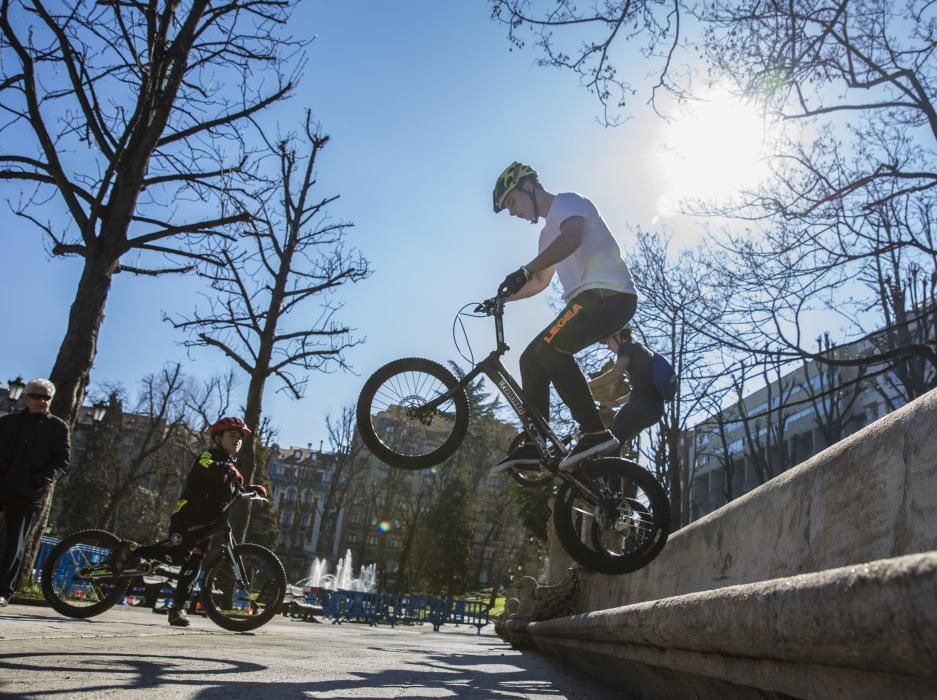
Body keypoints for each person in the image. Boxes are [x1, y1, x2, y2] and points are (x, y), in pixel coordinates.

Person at [493, 162, 638, 471]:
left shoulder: (568, 202)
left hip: (607, 294)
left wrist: (526, 269)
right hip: (589, 302)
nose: (512, 212)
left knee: (549, 349)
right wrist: (502, 297)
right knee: (531, 359)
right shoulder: (546, 236)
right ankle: (536, 444)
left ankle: (594, 431)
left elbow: (572, 238)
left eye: (512, 202)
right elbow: (540, 281)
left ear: (529, 186)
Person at [116, 416, 266, 627]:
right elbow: (208, 467)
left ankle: (176, 610)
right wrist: (228, 471)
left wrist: (251, 490)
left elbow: (232, 489)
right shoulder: (210, 455)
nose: (237, 441)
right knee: (178, 555)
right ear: (218, 438)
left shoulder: (229, 465)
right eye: (232, 436)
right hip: (189, 514)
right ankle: (133, 550)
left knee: (194, 563)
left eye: (240, 438)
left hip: (208, 521)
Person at [0, 378, 70, 606]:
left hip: (27, 491)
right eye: (36, 396)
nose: (41, 401)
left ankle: (4, 591)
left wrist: (41, 480)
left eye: (46, 398)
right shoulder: (7, 423)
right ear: (26, 397)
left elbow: (62, 462)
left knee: (15, 543)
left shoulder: (58, 427)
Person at [588, 326, 666, 450]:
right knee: (616, 443)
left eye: (608, 341)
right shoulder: (640, 351)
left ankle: (607, 468)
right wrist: (614, 403)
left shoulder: (627, 348)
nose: (608, 346)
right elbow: (638, 391)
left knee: (608, 443)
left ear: (618, 336)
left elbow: (615, 373)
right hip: (655, 410)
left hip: (640, 406)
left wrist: (587, 385)